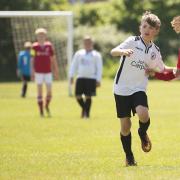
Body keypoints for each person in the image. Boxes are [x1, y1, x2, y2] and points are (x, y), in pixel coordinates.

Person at [110, 11, 166, 166]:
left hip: (138, 88)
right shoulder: (132, 41)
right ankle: (129, 157)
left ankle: (142, 132)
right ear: (140, 27)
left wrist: (155, 71)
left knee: (143, 113)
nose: (147, 29)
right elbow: (113, 51)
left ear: (156, 31)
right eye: (144, 26)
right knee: (125, 126)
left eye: (151, 27)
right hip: (121, 89)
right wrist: (123, 51)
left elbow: (161, 68)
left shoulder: (155, 51)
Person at [69, 36, 103, 118]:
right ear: (83, 43)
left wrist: (98, 80)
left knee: (88, 96)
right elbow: (74, 65)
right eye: (86, 42)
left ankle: (87, 115)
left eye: (89, 42)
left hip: (91, 78)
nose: (87, 44)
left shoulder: (96, 55)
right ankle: (85, 109)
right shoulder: (79, 53)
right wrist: (71, 76)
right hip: (80, 77)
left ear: (92, 43)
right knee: (78, 96)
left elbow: (99, 68)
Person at [31, 28, 59, 117]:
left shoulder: (49, 46)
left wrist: (55, 70)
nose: (41, 37)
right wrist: (32, 71)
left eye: (42, 35)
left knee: (49, 91)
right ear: (37, 36)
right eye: (39, 35)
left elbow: (53, 58)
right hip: (38, 71)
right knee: (39, 91)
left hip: (48, 71)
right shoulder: (34, 46)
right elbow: (32, 59)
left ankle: (46, 105)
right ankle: (41, 111)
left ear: (45, 36)